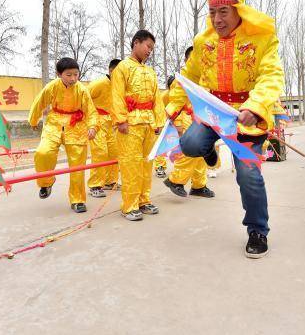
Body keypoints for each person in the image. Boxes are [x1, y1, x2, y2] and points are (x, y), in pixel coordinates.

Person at [165, 0, 283, 258]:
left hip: (246, 117)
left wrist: (255, 106)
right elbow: (188, 75)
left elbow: (272, 75)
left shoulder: (263, 39)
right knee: (190, 144)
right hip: (214, 113)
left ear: (238, 11)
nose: (217, 19)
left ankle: (257, 230)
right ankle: (209, 148)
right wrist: (174, 105)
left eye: (223, 12)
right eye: (212, 13)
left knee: (248, 175)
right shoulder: (203, 41)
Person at [29, 57, 98, 213]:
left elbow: (91, 111)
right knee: (43, 152)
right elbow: (39, 103)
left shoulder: (82, 90)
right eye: (69, 75)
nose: (73, 78)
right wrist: (34, 120)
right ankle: (46, 182)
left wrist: (93, 126)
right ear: (59, 74)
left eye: (76, 74)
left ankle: (78, 199)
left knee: (77, 165)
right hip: (54, 123)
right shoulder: (51, 87)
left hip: (76, 126)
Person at [112, 30, 165, 221]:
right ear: (136, 43)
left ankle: (144, 200)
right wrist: (121, 120)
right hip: (131, 123)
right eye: (148, 46)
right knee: (131, 165)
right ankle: (129, 205)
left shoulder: (150, 72)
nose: (150, 51)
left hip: (148, 123)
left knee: (146, 163)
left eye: (152, 48)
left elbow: (157, 98)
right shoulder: (123, 68)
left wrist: (158, 121)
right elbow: (117, 95)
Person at [163, 48, 216, 199]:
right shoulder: (181, 80)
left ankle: (199, 185)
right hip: (186, 117)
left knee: (201, 152)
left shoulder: (205, 78)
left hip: (200, 118)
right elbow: (176, 101)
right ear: (188, 60)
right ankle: (175, 180)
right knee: (192, 151)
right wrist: (177, 121)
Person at [87, 59, 121, 197]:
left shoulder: (119, 86)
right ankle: (95, 184)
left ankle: (110, 181)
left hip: (111, 122)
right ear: (111, 71)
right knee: (100, 152)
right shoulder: (98, 84)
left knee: (114, 152)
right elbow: (84, 99)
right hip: (97, 120)